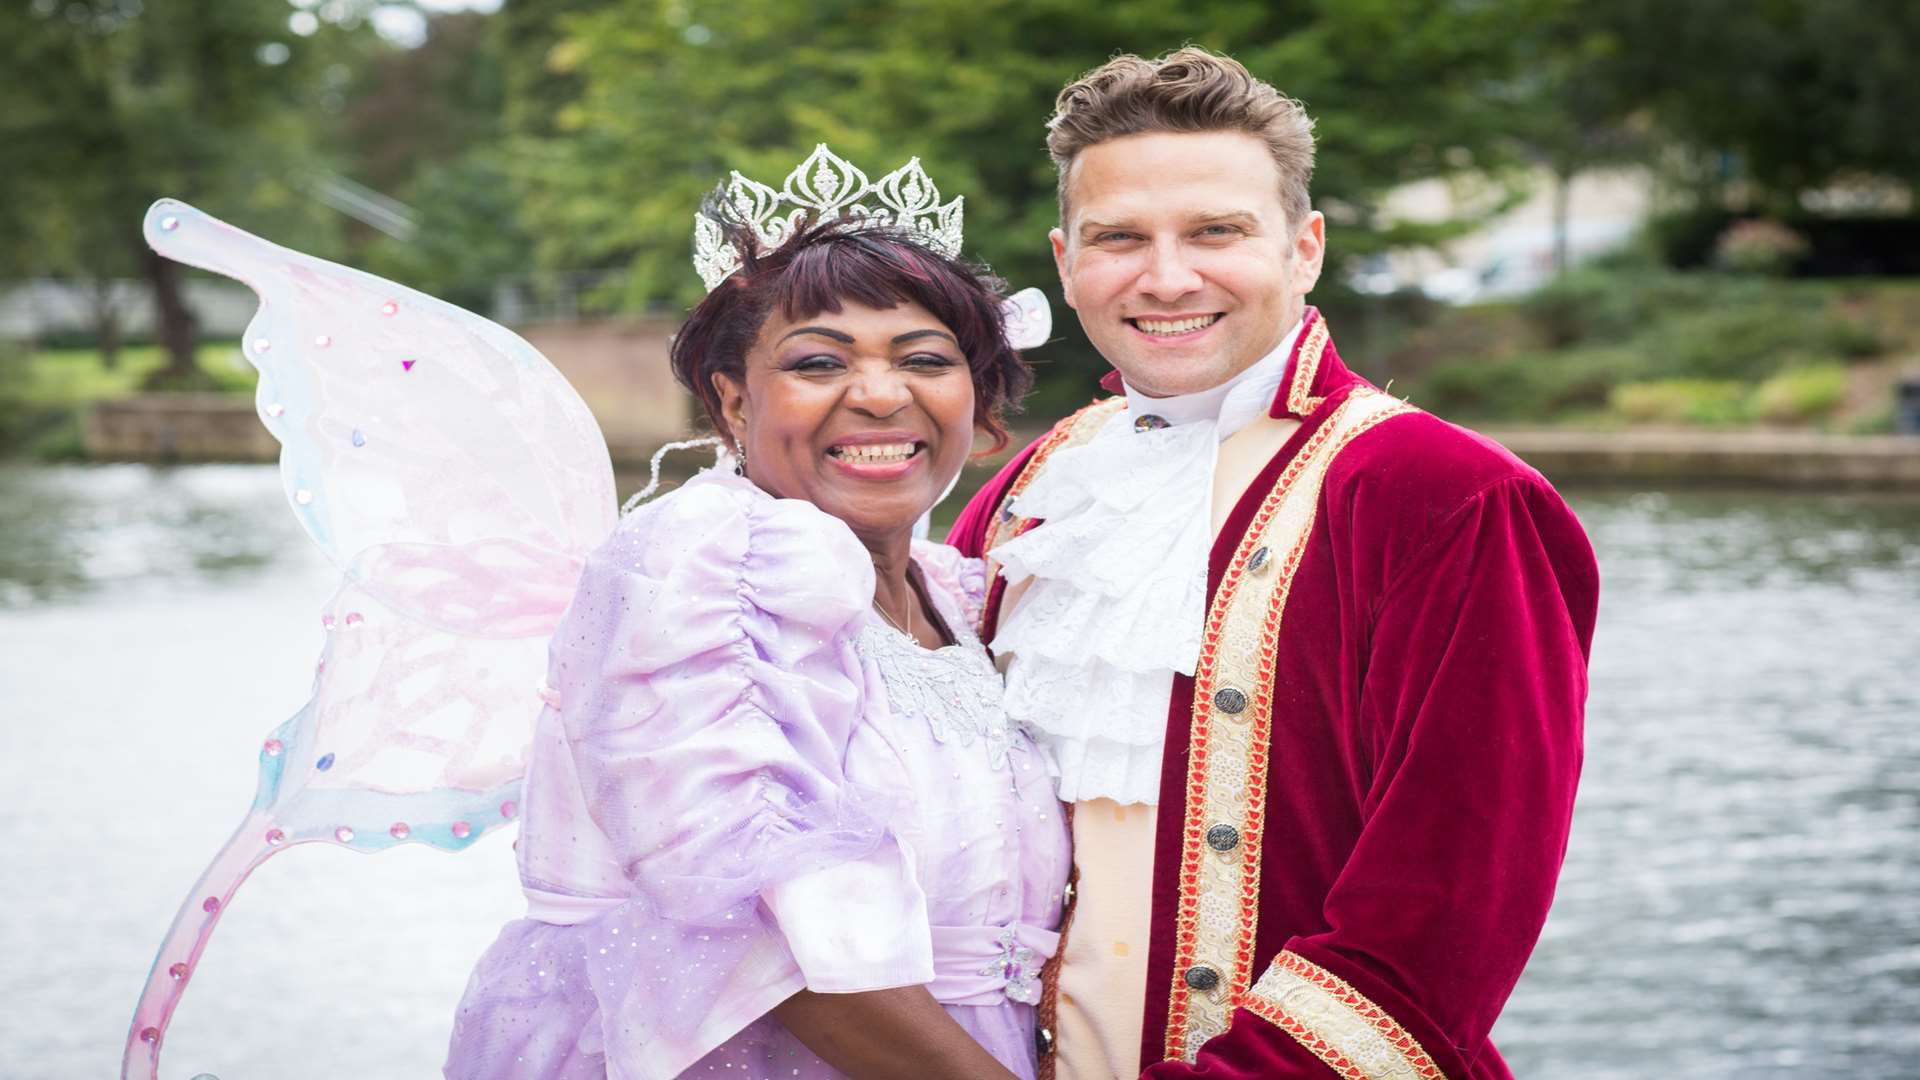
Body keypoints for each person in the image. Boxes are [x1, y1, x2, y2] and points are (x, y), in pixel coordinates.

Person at [949, 48, 1601, 1079]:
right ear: (1067, 261)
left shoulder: (1449, 497)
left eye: (1217, 231)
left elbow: (1443, 920)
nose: (1166, 277)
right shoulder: (1028, 491)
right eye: (1119, 238)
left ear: (1304, 249)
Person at [444, 153, 1070, 1079]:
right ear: (733, 399)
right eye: (819, 361)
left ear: (977, 404)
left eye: (925, 360)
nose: (880, 394)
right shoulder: (702, 571)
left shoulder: (965, 596)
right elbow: (759, 924)